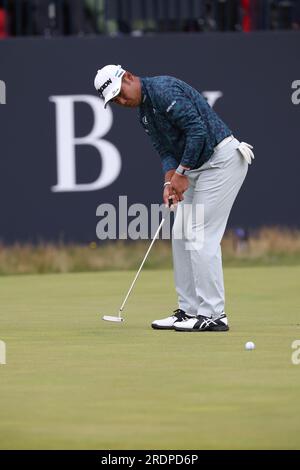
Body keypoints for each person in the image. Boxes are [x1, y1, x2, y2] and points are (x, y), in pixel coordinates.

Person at [94, 65, 254, 332]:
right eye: (115, 101)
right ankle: (189, 311)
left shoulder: (163, 89)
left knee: (199, 233)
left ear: (129, 77)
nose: (122, 102)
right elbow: (165, 150)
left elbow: (198, 131)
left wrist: (182, 173)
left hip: (222, 160)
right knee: (181, 233)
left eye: (120, 93)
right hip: (197, 167)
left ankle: (214, 314)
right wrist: (170, 180)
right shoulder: (144, 114)